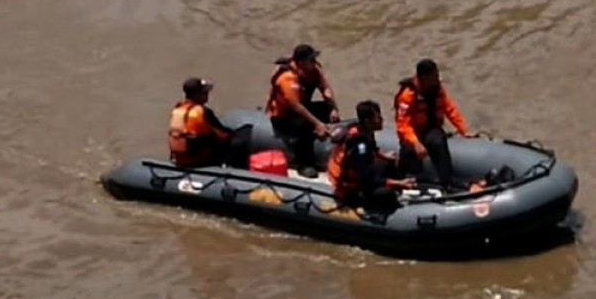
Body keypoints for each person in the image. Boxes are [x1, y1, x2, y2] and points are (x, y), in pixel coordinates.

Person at [393, 58, 471, 189]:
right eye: (434, 76)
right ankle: (402, 179)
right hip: (413, 135)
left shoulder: (437, 89)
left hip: (430, 130)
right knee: (411, 160)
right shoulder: (407, 96)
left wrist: (463, 129)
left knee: (438, 140)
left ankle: (447, 182)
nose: (438, 79)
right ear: (423, 78)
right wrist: (416, 144)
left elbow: (450, 109)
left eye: (437, 75)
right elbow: (403, 126)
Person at [264, 43, 340, 177]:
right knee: (303, 125)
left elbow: (325, 89)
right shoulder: (288, 78)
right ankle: (304, 164)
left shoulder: (314, 70)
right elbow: (296, 106)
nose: (314, 62)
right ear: (300, 63)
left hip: (302, 106)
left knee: (325, 109)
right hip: (284, 115)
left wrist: (333, 108)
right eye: (311, 60)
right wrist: (317, 124)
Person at [327, 100, 416, 211]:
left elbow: (372, 150)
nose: (382, 120)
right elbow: (368, 180)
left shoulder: (365, 132)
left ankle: (402, 189)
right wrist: (397, 183)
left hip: (361, 177)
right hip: (351, 190)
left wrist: (384, 156)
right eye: (378, 118)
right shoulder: (359, 147)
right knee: (386, 194)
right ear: (368, 121)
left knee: (388, 164)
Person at [168, 77, 253, 168]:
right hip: (198, 160)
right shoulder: (203, 112)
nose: (207, 95)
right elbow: (223, 135)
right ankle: (236, 170)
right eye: (204, 92)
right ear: (196, 95)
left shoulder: (177, 109)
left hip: (179, 158)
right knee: (242, 139)